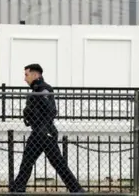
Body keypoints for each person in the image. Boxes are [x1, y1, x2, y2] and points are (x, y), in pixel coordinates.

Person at [9, 63, 85, 193]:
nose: (24, 78)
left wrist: (39, 123)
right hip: (41, 132)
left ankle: (17, 188)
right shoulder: (38, 89)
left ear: (35, 74)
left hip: (43, 133)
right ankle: (18, 188)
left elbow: (51, 111)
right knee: (33, 161)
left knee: (37, 162)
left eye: (26, 75)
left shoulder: (43, 89)